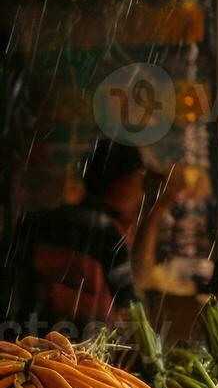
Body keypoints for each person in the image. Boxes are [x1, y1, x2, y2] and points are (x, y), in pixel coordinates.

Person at [16, 138, 152, 334]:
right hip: (74, 351)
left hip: (22, 339)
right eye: (139, 182)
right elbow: (131, 309)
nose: (141, 193)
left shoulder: (39, 220)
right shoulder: (108, 234)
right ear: (123, 185)